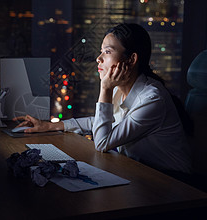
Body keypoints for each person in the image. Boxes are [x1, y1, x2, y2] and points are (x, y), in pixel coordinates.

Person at [13, 23, 192, 175]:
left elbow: (102, 142)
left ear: (131, 59)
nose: (98, 59)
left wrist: (105, 87)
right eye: (101, 52)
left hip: (173, 183)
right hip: (142, 172)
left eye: (107, 52)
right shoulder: (122, 88)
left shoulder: (152, 99)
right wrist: (49, 126)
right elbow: (101, 123)